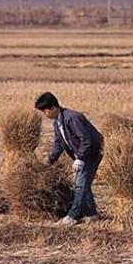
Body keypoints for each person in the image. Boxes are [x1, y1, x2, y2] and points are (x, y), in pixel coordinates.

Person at [34, 92, 104, 225]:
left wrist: (80, 159)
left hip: (92, 153)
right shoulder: (57, 122)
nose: (45, 114)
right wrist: (50, 160)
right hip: (83, 154)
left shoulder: (73, 118)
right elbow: (59, 144)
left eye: (45, 111)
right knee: (84, 185)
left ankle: (73, 216)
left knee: (80, 184)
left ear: (53, 108)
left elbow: (87, 140)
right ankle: (92, 214)